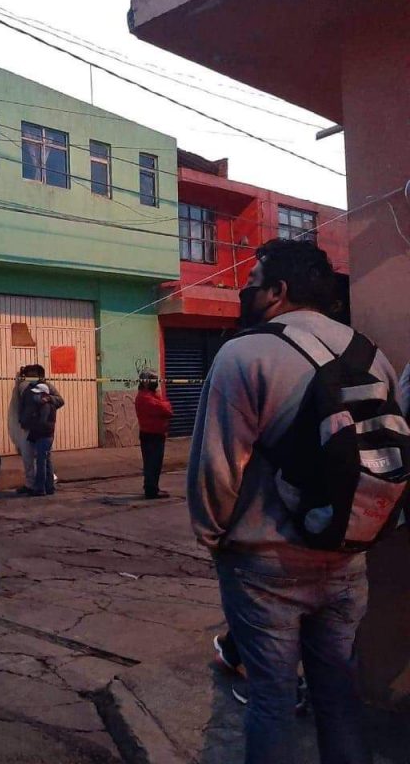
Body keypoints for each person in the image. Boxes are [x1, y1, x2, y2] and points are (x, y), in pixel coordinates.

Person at [188, 238, 398, 764]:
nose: (244, 292)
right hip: (349, 556)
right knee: (338, 699)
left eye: (252, 283)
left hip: (265, 567)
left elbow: (215, 468)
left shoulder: (244, 353)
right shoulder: (372, 354)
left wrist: (215, 540)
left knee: (273, 702)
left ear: (277, 292)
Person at [134, 370, 173, 499]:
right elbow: (167, 409)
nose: (155, 383)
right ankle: (151, 490)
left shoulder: (150, 396)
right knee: (153, 464)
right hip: (152, 435)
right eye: (153, 380)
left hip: (155, 434)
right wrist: (165, 405)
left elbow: (165, 407)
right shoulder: (145, 398)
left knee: (154, 464)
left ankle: (152, 488)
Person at [23, 381, 62, 496]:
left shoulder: (45, 406)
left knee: (41, 463)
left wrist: (32, 420)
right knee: (47, 461)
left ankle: (40, 488)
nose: (36, 396)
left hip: (43, 436)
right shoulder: (44, 405)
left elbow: (42, 423)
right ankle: (49, 487)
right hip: (46, 436)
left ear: (44, 395)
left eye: (38, 394)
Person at [8, 365, 42, 493]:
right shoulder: (24, 387)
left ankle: (40, 484)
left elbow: (58, 401)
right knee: (30, 457)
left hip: (37, 427)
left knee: (39, 457)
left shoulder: (41, 387)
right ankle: (33, 484)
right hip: (29, 427)